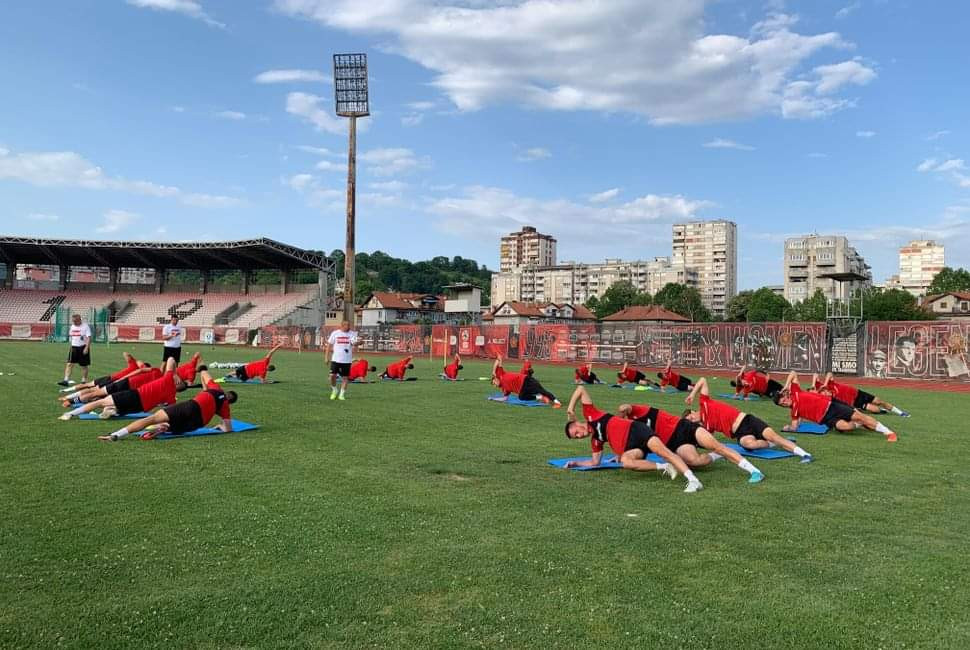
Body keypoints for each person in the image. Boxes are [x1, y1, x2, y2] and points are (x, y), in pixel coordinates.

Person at [563, 387, 703, 493]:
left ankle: (693, 480)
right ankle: (665, 467)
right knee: (626, 462)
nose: (579, 436)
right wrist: (576, 463)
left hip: (636, 430)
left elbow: (581, 389)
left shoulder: (591, 415)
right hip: (631, 447)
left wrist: (570, 408)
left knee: (664, 452)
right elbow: (595, 462)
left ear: (577, 423)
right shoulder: (595, 441)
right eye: (576, 437)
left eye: (576, 432)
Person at [617, 402, 764, 483]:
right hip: (674, 443)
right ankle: (718, 455)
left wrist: (623, 410)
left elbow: (627, 407)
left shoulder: (638, 412)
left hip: (683, 427)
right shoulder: (632, 432)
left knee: (717, 446)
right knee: (695, 462)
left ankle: (754, 471)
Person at [684, 377, 814, 462]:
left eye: (691, 416)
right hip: (740, 433)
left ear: (693, 411)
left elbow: (702, 380)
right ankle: (770, 444)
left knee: (776, 438)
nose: (693, 419)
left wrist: (692, 394)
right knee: (749, 444)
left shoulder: (704, 402)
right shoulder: (706, 426)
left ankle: (805, 454)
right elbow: (707, 440)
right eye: (691, 421)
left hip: (748, 421)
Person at [98, 366, 237, 441]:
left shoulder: (216, 388)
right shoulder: (224, 407)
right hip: (198, 423)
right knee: (175, 427)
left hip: (192, 405)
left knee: (151, 419)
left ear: (226, 393)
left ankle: (117, 434)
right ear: (229, 402)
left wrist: (204, 381)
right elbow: (228, 429)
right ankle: (168, 427)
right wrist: (219, 426)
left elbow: (204, 373)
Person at [775, 373, 898, 443]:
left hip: (831, 405)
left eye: (784, 400)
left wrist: (785, 386)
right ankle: (860, 424)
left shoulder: (795, 392)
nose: (785, 403)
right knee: (845, 426)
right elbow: (795, 426)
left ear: (786, 395)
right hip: (826, 419)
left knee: (860, 416)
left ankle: (889, 432)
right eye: (782, 404)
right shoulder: (794, 412)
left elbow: (793, 374)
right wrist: (788, 428)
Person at [60, 358, 187, 420]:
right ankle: (111, 410)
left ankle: (71, 408)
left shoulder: (166, 377)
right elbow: (166, 409)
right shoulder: (171, 396)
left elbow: (170, 359)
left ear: (177, 382)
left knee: (98, 397)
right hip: (139, 406)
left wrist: (174, 373)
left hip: (132, 391)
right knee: (101, 397)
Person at [812, 372, 909, 417]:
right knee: (875, 409)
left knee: (879, 401)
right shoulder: (823, 398)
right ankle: (883, 411)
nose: (825, 393)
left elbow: (825, 374)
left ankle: (900, 412)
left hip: (858, 393)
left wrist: (821, 384)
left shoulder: (824, 385)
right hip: (855, 402)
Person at [61, 364, 160, 406]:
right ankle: (70, 400)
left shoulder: (154, 374)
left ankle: (72, 399)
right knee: (94, 392)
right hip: (119, 382)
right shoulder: (151, 371)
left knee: (97, 394)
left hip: (123, 385)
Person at [491, 354, 561, 407]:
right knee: (521, 397)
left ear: (495, 378)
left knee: (542, 391)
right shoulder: (504, 389)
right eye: (494, 384)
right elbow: (504, 398)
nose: (495, 384)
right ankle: (540, 397)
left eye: (494, 382)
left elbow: (499, 358)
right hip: (522, 389)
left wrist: (493, 371)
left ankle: (557, 402)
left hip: (526, 380)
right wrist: (494, 399)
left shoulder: (501, 374)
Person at [63, 352, 143, 391]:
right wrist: (135, 361)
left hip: (114, 381)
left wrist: (136, 361)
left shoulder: (136, 368)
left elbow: (125, 353)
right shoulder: (134, 366)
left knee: (93, 389)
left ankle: (70, 395)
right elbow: (125, 353)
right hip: (110, 379)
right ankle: (68, 391)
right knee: (90, 386)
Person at [325, 321, 359, 401]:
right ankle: (334, 390)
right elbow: (329, 345)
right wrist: (326, 357)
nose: (348, 327)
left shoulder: (352, 334)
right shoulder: (335, 333)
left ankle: (342, 394)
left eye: (349, 325)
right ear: (342, 326)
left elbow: (355, 343)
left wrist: (359, 342)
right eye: (347, 325)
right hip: (336, 359)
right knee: (332, 376)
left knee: (345, 378)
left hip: (347, 360)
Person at [59, 314, 92, 386]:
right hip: (73, 348)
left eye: (75, 321)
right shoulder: (72, 326)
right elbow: (71, 336)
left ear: (79, 320)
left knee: (84, 365)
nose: (74, 322)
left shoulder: (85, 326)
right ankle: (65, 380)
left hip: (83, 347)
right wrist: (71, 345)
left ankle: (83, 381)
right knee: (69, 364)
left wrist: (86, 348)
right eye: (73, 321)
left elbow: (89, 338)